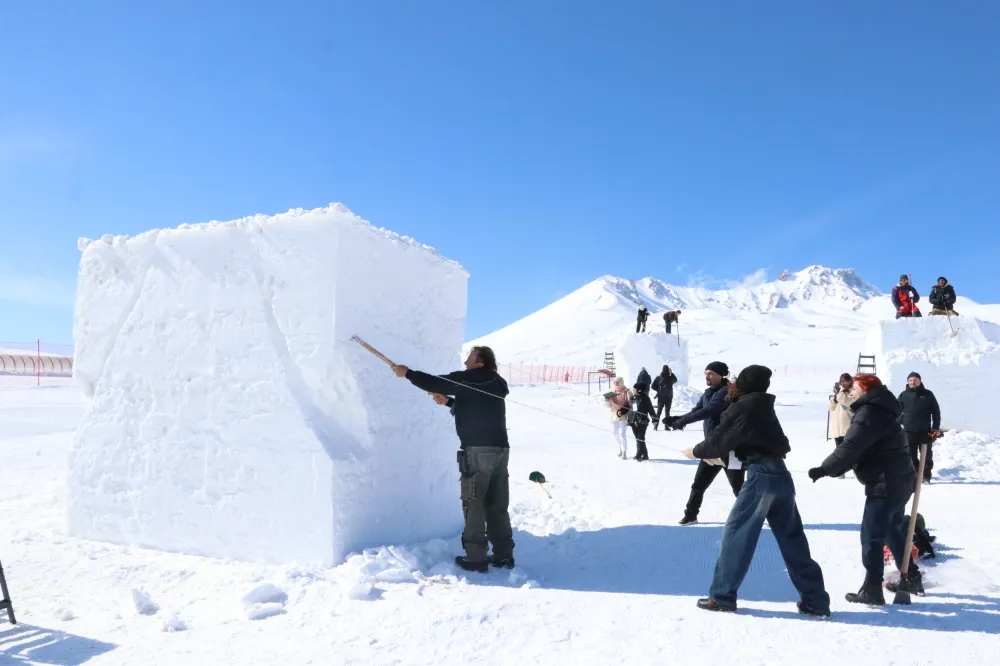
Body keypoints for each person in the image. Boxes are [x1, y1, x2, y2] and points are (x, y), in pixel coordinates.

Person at [683, 365, 830, 617]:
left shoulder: (741, 406)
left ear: (743, 384)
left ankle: (722, 596)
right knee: (792, 540)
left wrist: (696, 452)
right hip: (781, 476)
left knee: (736, 536)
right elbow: (780, 444)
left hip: (760, 478)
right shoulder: (764, 406)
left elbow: (717, 442)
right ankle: (816, 601)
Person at [392, 346, 515, 573]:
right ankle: (504, 556)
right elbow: (477, 408)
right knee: (497, 504)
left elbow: (436, 382)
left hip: (478, 451)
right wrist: (449, 402)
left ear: (480, 362)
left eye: (470, 358)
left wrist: (407, 373)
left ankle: (476, 558)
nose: (466, 362)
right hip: (500, 450)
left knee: (474, 502)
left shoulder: (472, 377)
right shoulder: (494, 381)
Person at [808, 374, 923, 604]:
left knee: (871, 535)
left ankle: (872, 589)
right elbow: (860, 450)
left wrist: (824, 469)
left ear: (867, 390)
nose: (851, 391)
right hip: (901, 480)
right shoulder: (882, 409)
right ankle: (911, 576)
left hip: (886, 482)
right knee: (891, 529)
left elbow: (851, 447)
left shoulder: (869, 412)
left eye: (855, 388)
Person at [668, 361, 745, 525]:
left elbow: (709, 410)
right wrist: (677, 419)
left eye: (711, 373)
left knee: (739, 488)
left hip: (729, 450)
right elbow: (697, 410)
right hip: (711, 447)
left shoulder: (727, 392)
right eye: (705, 373)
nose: (707, 376)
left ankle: (756, 515)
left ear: (721, 375)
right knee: (698, 485)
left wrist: (683, 421)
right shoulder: (708, 393)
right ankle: (691, 515)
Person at [897, 372, 941, 483]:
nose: (913, 382)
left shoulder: (928, 394)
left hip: (925, 431)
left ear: (920, 381)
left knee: (926, 455)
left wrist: (936, 427)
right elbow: (896, 411)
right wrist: (902, 421)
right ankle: (916, 474)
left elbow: (936, 411)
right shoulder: (903, 395)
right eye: (910, 380)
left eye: (915, 380)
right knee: (910, 455)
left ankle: (926, 476)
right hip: (909, 431)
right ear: (908, 382)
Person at [629, 383, 658, 461]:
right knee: (638, 438)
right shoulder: (633, 398)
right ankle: (645, 455)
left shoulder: (645, 399)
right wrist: (621, 412)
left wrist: (654, 419)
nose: (633, 390)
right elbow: (628, 407)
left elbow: (651, 410)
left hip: (642, 421)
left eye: (634, 389)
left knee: (640, 438)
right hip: (633, 421)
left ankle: (638, 454)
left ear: (639, 390)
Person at [604, 377, 632, 459]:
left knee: (622, 434)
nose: (616, 384)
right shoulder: (612, 391)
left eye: (618, 382)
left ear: (621, 382)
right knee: (614, 434)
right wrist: (607, 400)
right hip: (614, 415)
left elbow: (630, 404)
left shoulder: (627, 391)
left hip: (623, 415)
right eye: (614, 382)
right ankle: (620, 448)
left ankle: (624, 452)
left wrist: (624, 411)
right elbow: (608, 406)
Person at [828, 373, 855, 448]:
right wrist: (834, 400)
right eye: (841, 381)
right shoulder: (839, 392)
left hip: (848, 429)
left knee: (849, 451)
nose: (842, 383)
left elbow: (847, 402)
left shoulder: (853, 392)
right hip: (837, 429)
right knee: (839, 452)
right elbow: (830, 408)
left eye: (845, 381)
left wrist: (838, 394)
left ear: (850, 381)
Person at [651, 365, 677, 429]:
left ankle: (655, 426)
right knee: (667, 413)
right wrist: (671, 373)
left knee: (658, 412)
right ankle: (666, 426)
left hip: (661, 398)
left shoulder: (658, 377)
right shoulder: (670, 377)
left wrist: (658, 390)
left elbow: (652, 386)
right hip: (668, 397)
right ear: (668, 370)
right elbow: (675, 380)